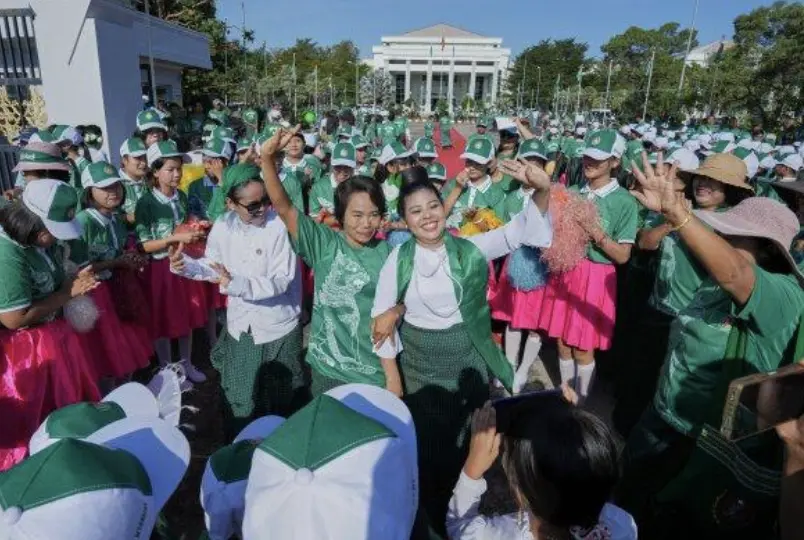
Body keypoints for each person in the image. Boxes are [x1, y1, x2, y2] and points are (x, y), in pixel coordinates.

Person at [617, 155, 804, 527]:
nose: (721, 237)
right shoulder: (712, 284)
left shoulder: (783, 294)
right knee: (629, 502)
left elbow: (735, 273)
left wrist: (678, 214)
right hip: (665, 416)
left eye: (734, 234)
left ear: (768, 250)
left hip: (704, 444)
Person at [370, 162, 552, 536]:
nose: (427, 216)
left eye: (433, 206)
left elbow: (515, 232)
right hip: (421, 367)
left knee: (467, 439)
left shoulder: (468, 249)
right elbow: (380, 324)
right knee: (429, 448)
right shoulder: (398, 260)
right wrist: (393, 378)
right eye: (415, 211)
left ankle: (464, 509)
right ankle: (433, 518)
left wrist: (542, 191)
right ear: (404, 220)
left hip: (467, 359)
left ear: (444, 206)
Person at [260, 127, 402, 396]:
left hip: (373, 371)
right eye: (357, 215)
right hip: (328, 370)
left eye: (373, 215)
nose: (365, 224)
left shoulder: (389, 253)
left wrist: (395, 312)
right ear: (340, 215)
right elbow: (284, 207)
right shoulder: (323, 244)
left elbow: (410, 298)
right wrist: (267, 159)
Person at [170, 163, 306, 440]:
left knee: (280, 397)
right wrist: (186, 266)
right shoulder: (223, 225)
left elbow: (281, 280)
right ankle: (240, 451)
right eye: (253, 205)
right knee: (240, 397)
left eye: (266, 200)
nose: (263, 209)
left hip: (277, 325)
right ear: (231, 204)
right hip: (242, 325)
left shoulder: (279, 226)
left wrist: (236, 284)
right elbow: (214, 266)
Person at [0, 180, 101, 470]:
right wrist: (67, 294)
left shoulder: (41, 245)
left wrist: (73, 282)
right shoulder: (8, 254)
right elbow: (13, 318)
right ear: (30, 222)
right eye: (51, 232)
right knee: (38, 420)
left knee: (65, 410)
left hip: (53, 341)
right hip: (26, 353)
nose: (56, 238)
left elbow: (56, 283)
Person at [535, 130, 639, 400]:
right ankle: (565, 394)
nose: (589, 163)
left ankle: (580, 402)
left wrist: (594, 230)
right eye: (587, 157)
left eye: (599, 159)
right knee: (561, 343)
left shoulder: (624, 201)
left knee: (583, 346)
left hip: (595, 277)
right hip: (566, 272)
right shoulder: (571, 192)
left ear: (615, 162)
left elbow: (623, 256)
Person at [447, 397, 637, 540]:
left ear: (521, 494)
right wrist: (572, 423)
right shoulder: (622, 524)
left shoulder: (499, 535)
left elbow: (459, 525)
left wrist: (472, 471)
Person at [69, 162, 152, 385]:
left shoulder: (115, 219)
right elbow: (80, 269)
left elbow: (121, 250)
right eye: (104, 188)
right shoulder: (84, 221)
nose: (113, 192)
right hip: (97, 294)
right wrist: (117, 262)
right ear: (89, 191)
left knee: (123, 346)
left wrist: (131, 258)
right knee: (106, 350)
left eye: (116, 186)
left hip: (118, 289)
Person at [134, 140, 209, 386]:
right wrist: (177, 237)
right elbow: (143, 245)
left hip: (184, 263)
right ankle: (168, 370)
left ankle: (186, 362)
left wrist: (196, 227)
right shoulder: (146, 202)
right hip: (160, 269)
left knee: (186, 315)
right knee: (163, 320)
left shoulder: (182, 196)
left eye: (179, 168)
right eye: (170, 169)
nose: (177, 174)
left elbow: (186, 224)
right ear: (155, 171)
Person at [441, 138, 507, 229]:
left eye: (478, 163)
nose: (472, 167)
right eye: (469, 161)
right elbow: (439, 217)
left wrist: (477, 218)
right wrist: (457, 188)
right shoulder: (454, 183)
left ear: (489, 163)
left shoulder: (496, 193)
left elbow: (499, 228)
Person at [309, 141, 357, 228]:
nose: (342, 171)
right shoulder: (318, 187)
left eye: (347, 166)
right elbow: (314, 220)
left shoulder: (360, 187)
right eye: (338, 166)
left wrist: (331, 218)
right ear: (331, 164)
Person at [189, 137, 232, 220]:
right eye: (204, 161)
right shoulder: (195, 186)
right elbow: (193, 213)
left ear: (225, 162)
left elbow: (218, 216)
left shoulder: (234, 184)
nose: (206, 166)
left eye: (210, 162)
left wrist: (221, 180)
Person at [118, 137, 150, 225]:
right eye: (138, 158)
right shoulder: (115, 185)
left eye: (145, 157)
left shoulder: (151, 181)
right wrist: (130, 217)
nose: (144, 162)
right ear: (124, 160)